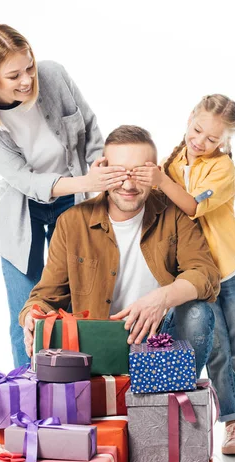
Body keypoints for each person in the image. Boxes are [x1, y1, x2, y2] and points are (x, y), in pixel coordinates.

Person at [0, 23, 128, 367]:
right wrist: (88, 182)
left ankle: (72, 391)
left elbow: (90, 130)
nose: (27, 80)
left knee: (71, 305)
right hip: (23, 212)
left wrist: (100, 175)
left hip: (74, 201)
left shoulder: (53, 76)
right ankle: (26, 399)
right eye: (14, 76)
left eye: (29, 67)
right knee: (25, 312)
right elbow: (23, 179)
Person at [19, 125, 220, 380]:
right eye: (118, 173)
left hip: (160, 345)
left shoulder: (174, 212)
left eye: (139, 173)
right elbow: (46, 296)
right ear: (103, 171)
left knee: (197, 313)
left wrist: (161, 298)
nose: (128, 184)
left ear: (155, 173)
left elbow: (206, 274)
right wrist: (31, 317)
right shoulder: (72, 222)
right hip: (97, 348)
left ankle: (174, 402)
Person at [130, 95, 235, 455]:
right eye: (197, 131)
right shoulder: (174, 162)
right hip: (198, 274)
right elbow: (158, 200)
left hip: (230, 270)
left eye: (212, 139)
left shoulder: (222, 169)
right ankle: (233, 422)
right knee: (219, 349)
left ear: (225, 141)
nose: (201, 142)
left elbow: (191, 206)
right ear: (190, 118)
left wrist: (161, 179)